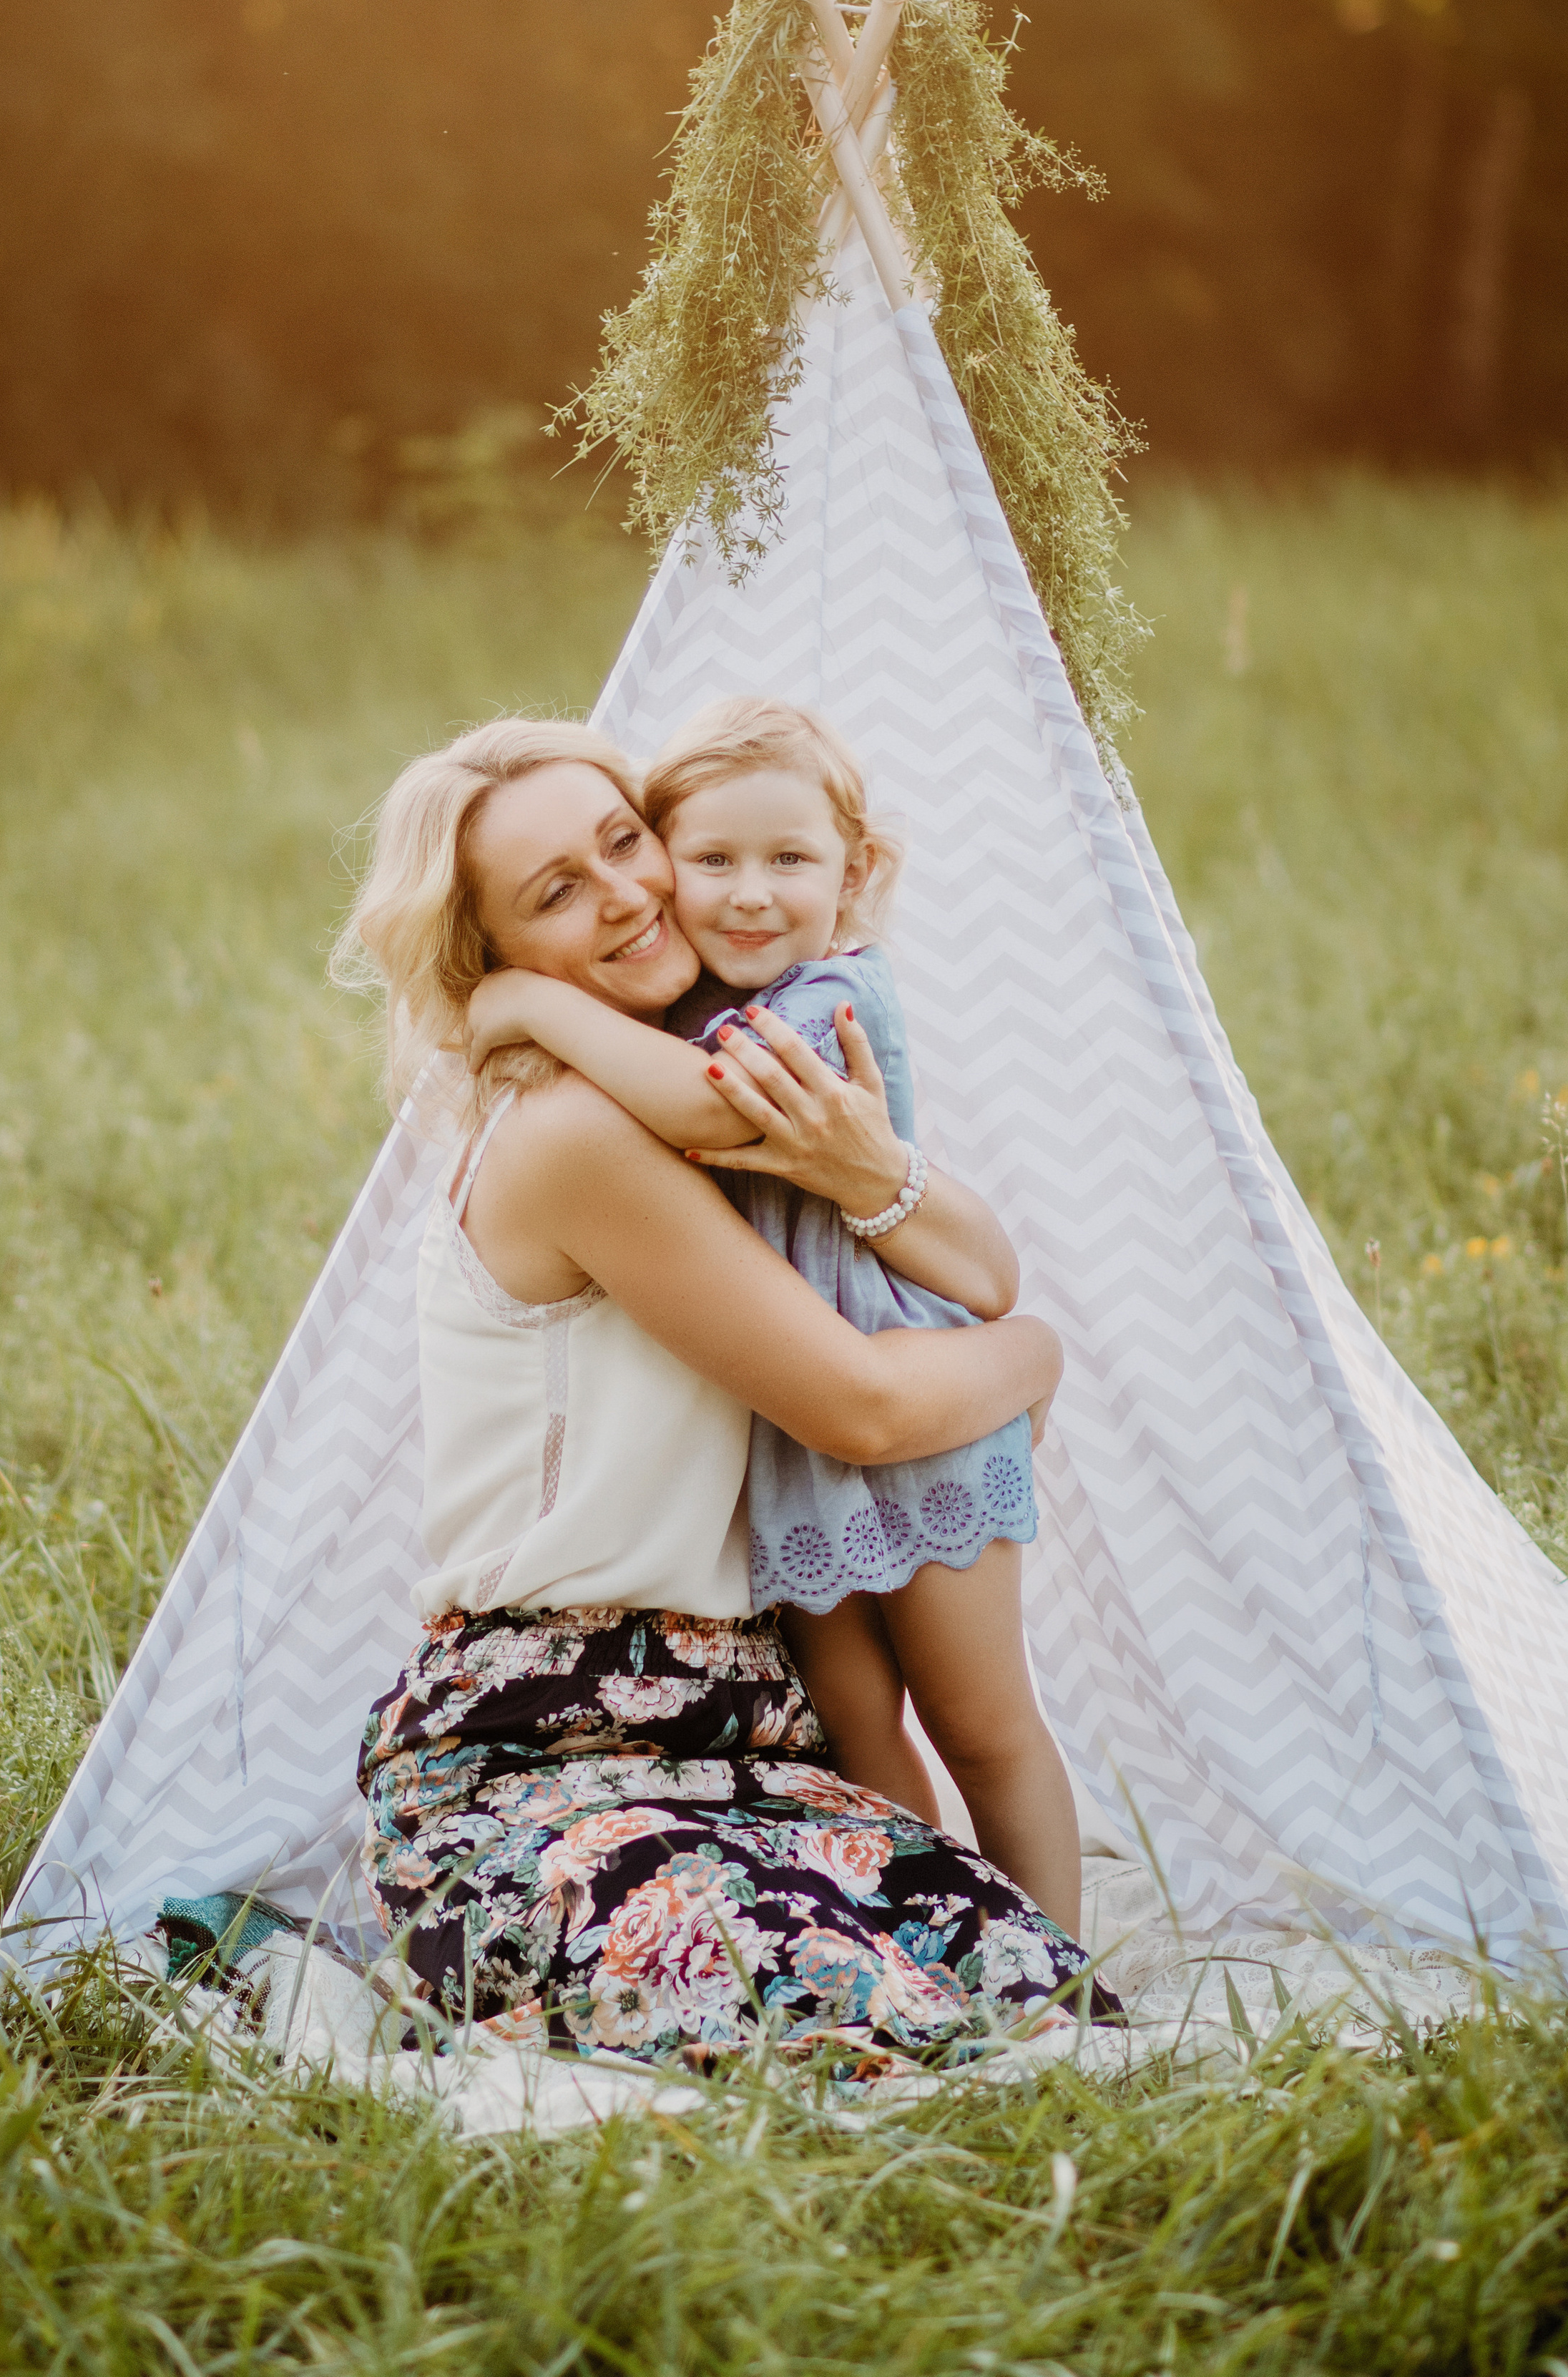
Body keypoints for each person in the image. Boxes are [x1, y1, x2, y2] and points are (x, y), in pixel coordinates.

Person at [331, 715, 1107, 2065]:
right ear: (493, 956)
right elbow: (860, 1407)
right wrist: (1034, 1357)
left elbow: (970, 1256)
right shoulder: (573, 1131)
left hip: (738, 1724)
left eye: (624, 841)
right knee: (809, 1995)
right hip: (547, 1745)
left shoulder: (706, 1059)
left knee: (977, 1963)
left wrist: (952, 1262)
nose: (627, 891)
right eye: (555, 893)